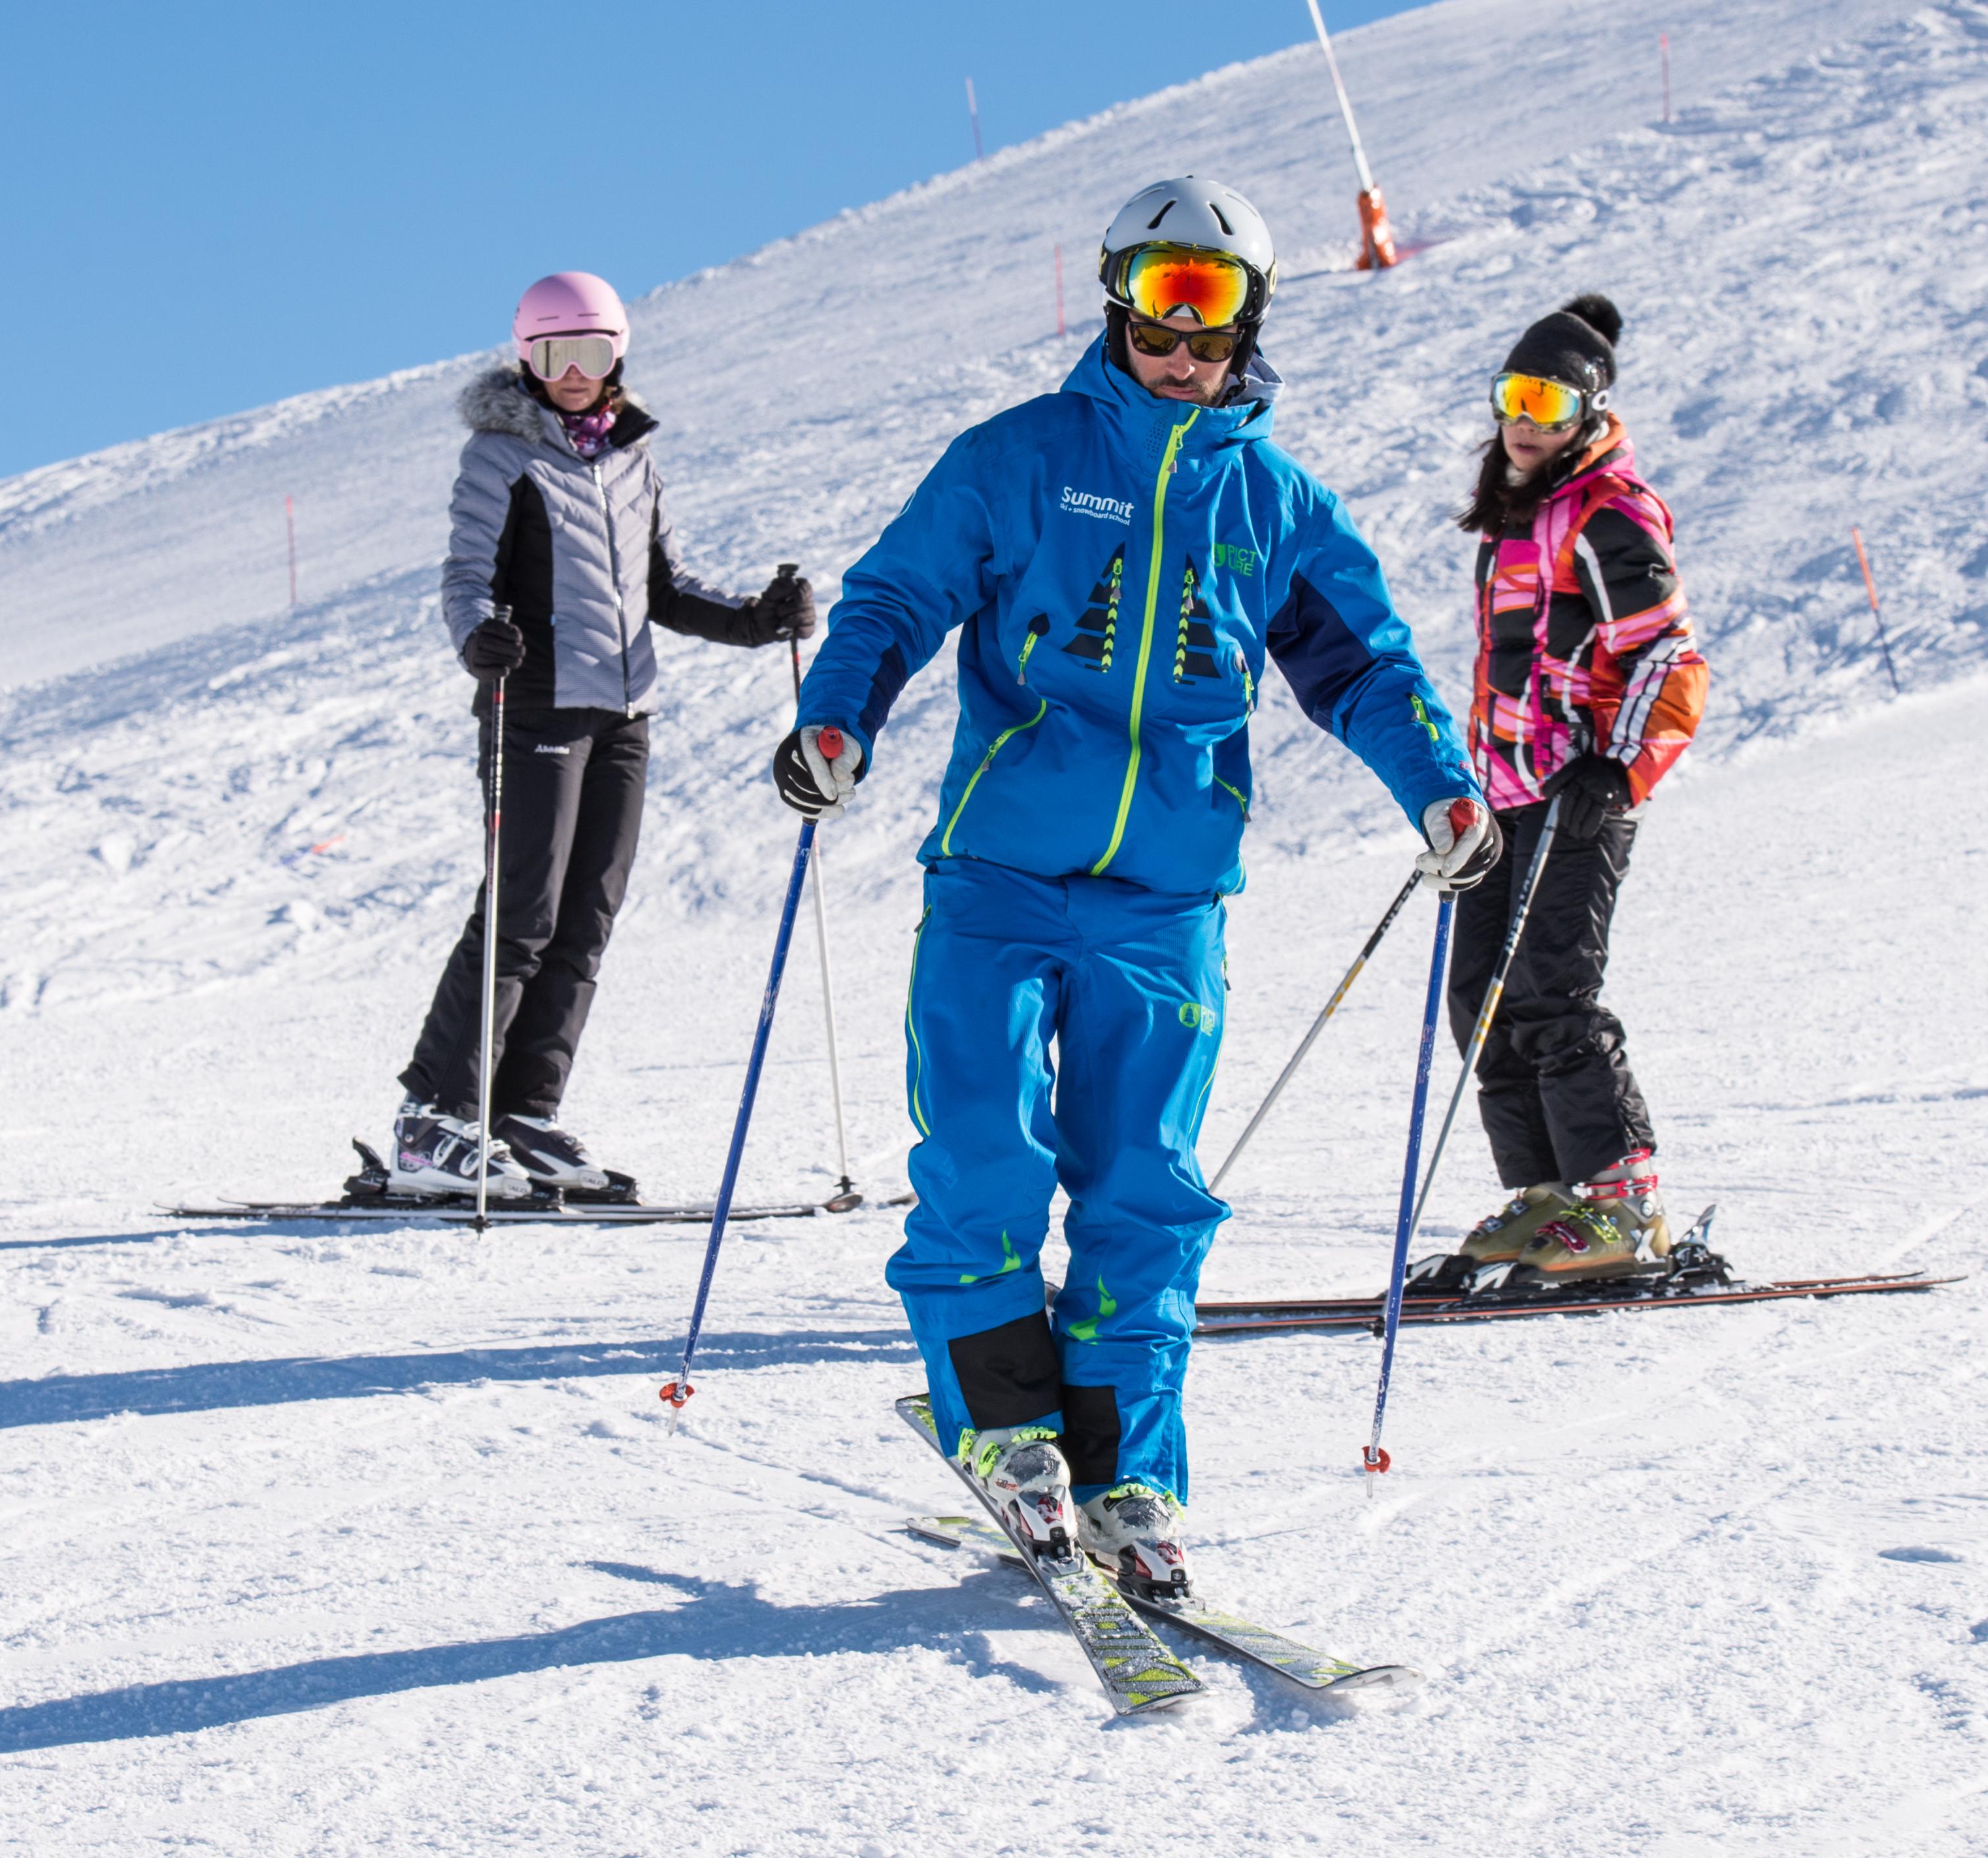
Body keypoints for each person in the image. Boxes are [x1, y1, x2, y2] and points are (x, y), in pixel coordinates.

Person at [776, 179, 1492, 1593]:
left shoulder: (1274, 501)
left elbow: (1359, 667)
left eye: (1212, 308)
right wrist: (836, 716)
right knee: (983, 1156)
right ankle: (1007, 1431)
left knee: (1143, 1189)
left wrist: (1438, 785)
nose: (1183, 340)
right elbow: (894, 597)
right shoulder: (1019, 458)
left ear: (1247, 324)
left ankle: (1130, 1474)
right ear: (1119, 301)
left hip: (1167, 895)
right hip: (995, 871)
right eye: (1162, 300)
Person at [390, 273, 816, 1199]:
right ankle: (433, 1119)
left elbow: (663, 586)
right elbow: (466, 576)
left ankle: (523, 1114)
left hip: (625, 717)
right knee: (521, 913)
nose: (574, 374)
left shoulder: (633, 457)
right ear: (526, 358)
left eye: (590, 353)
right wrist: (480, 640)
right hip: (533, 706)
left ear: (616, 353)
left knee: (586, 919)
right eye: (554, 356)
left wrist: (757, 618)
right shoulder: (499, 457)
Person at [1446, 295, 1708, 1279]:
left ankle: (1622, 1201)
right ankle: (1551, 1196)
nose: (1524, 419)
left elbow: (1671, 659)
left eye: (1548, 402)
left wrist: (1620, 767)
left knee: (1554, 989)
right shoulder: (1514, 520)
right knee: (1484, 999)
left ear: (1588, 414)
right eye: (1514, 394)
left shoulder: (1611, 512)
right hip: (1505, 800)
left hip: (1575, 798)